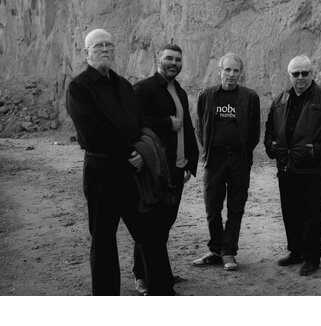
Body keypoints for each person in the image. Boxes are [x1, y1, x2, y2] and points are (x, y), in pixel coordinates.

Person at [66, 28, 175, 296]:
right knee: (103, 240)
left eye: (109, 45)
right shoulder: (79, 88)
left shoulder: (123, 85)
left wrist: (142, 150)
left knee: (150, 234)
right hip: (101, 173)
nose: (105, 49)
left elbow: (137, 121)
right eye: (98, 46)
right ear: (86, 52)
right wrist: (130, 153)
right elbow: (91, 133)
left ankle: (163, 292)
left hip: (133, 173)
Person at [131, 42, 199, 294]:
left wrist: (190, 161)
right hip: (156, 171)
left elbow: (187, 126)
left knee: (165, 225)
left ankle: (159, 272)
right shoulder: (143, 89)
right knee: (149, 227)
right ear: (158, 59)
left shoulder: (179, 91)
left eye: (178, 60)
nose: (173, 63)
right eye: (169, 58)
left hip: (176, 170)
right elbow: (134, 122)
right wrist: (165, 123)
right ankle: (142, 276)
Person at [264, 55, 321, 276]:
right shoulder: (280, 99)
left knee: (313, 215)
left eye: (305, 73)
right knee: (290, 212)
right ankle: (296, 251)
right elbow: (269, 129)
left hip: (312, 168)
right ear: (289, 75)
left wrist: (317, 151)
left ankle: (311, 258)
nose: (300, 77)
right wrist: (272, 148)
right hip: (287, 166)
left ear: (312, 73)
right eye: (296, 74)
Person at [193, 53, 260, 271]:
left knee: (236, 207)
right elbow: (200, 126)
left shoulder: (250, 97)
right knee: (212, 207)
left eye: (236, 70)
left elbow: (254, 131)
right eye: (227, 70)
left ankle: (229, 251)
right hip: (215, 160)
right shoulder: (207, 95)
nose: (231, 74)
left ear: (241, 73)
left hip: (239, 160)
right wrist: (209, 149)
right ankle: (215, 249)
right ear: (219, 71)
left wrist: (243, 152)